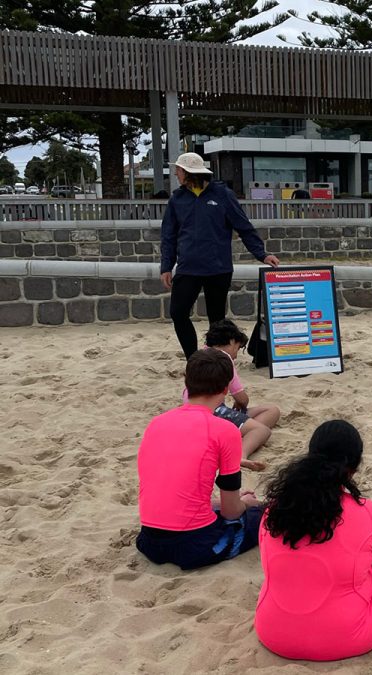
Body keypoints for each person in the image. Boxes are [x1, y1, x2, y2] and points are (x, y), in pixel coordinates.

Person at [255, 420, 372, 661]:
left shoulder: (275, 510)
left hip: (272, 633)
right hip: (346, 640)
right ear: (353, 468)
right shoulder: (367, 512)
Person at [136, 349, 262, 570]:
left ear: (187, 383)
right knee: (261, 513)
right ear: (225, 389)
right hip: (194, 543)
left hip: (148, 540)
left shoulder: (156, 423)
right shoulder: (225, 430)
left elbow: (175, 490)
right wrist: (246, 504)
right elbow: (231, 511)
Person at [160, 152, 280, 359]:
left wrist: (262, 254)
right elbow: (168, 236)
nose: (175, 174)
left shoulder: (223, 195)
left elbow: (244, 227)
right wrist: (166, 266)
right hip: (188, 268)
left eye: (178, 170)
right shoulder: (177, 199)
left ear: (189, 173)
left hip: (218, 268)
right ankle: (193, 359)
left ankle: (217, 359)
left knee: (216, 319)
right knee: (178, 313)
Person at [182, 319, 280, 472]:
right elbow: (241, 398)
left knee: (271, 410)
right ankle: (240, 454)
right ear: (232, 341)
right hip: (213, 412)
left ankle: (239, 435)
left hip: (194, 411)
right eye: (238, 348)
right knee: (262, 430)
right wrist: (241, 404)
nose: (236, 355)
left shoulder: (199, 355)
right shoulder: (223, 359)